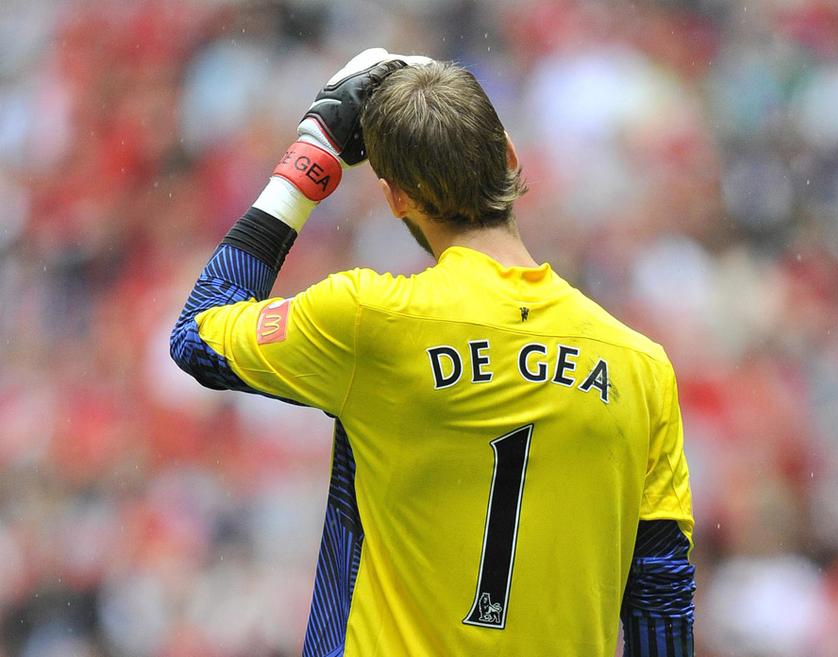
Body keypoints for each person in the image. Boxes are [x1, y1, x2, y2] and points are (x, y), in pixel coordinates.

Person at [171, 48, 695, 657]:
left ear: (395, 198)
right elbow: (661, 595)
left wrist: (312, 157)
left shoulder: (371, 318)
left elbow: (197, 334)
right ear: (509, 157)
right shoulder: (640, 366)